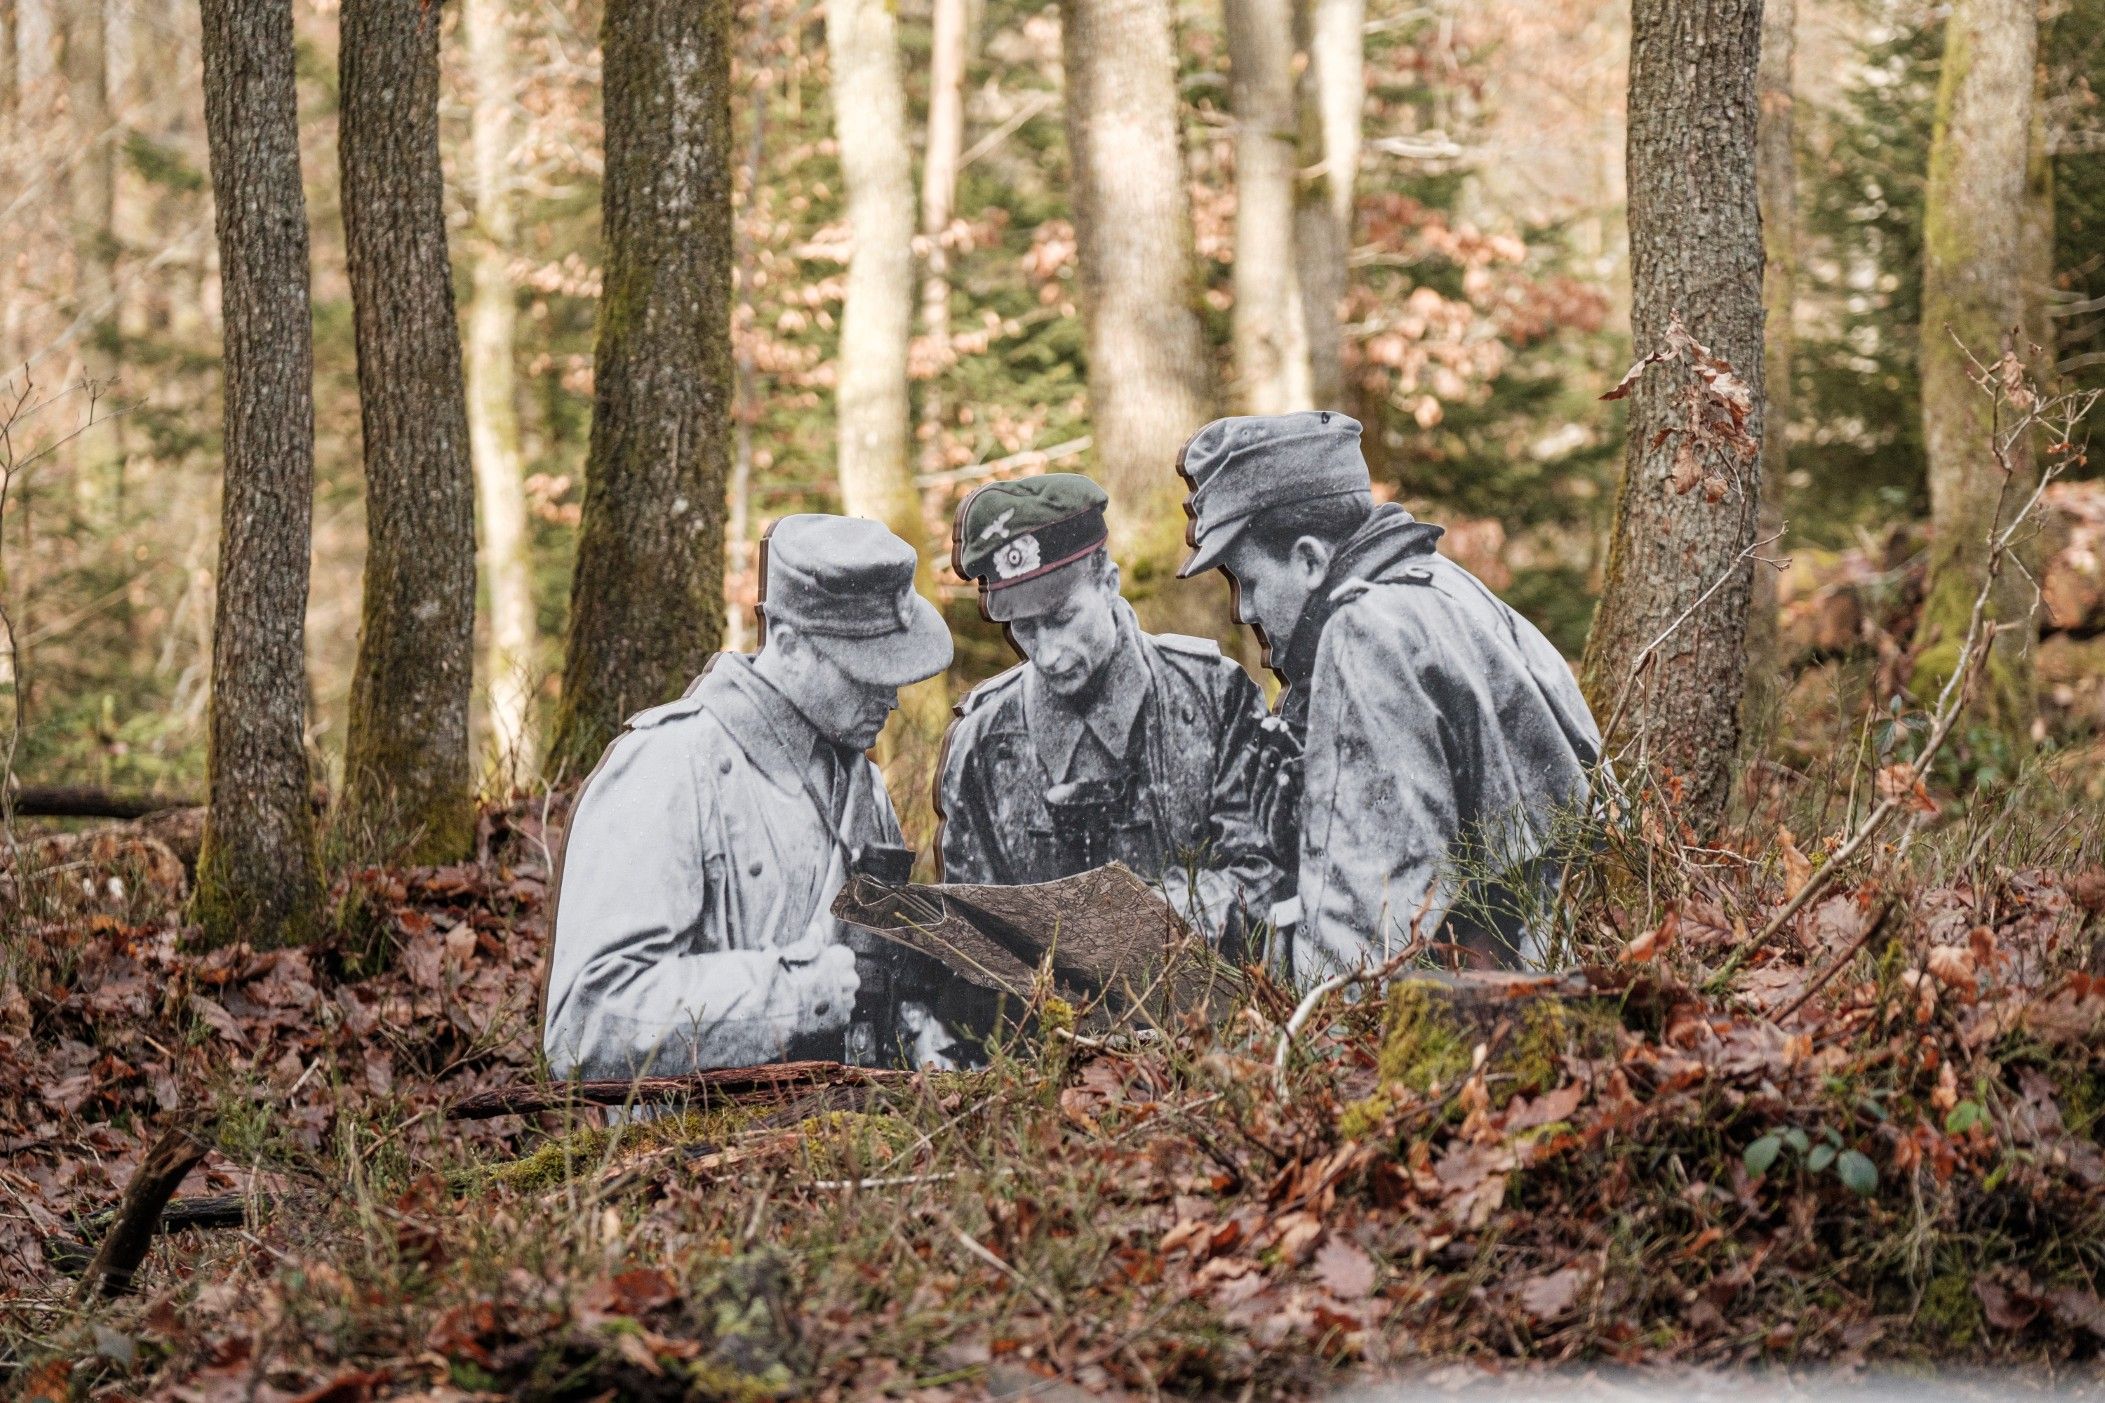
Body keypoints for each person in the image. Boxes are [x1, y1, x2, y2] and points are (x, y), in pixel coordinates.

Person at [1177, 410, 1601, 974]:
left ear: (1308, 558)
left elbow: (1364, 935)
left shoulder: (1367, 633)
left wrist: (1282, 1033)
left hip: (1500, 1019)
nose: (1244, 609)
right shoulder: (1443, 588)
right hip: (1559, 980)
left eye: (1247, 579)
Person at [542, 514, 954, 1079]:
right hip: (683, 1155)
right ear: (787, 644)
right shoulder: (669, 767)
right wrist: (795, 993)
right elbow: (587, 1025)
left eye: (894, 673)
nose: (889, 699)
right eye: (863, 672)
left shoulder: (863, 788)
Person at [937, 473, 1279, 944]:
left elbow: (1263, 877)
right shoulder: (981, 741)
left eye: (1062, 618)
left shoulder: (1213, 697)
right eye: (1024, 627)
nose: (1048, 652)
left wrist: (1135, 923)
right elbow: (968, 926)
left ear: (1109, 583)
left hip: (1206, 1009)